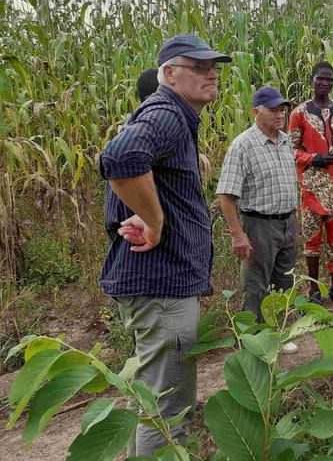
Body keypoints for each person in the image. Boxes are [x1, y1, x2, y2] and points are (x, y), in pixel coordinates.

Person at [99, 34, 231, 456]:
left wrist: (151, 212)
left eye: (214, 67)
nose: (212, 73)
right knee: (169, 411)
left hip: (156, 286)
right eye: (199, 66)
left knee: (152, 402)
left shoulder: (173, 117)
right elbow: (119, 158)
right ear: (169, 74)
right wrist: (155, 223)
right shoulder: (168, 112)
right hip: (163, 287)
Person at [216, 87, 299, 347]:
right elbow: (226, 195)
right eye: (273, 110)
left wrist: (293, 221)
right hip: (258, 225)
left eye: (282, 110)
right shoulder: (243, 145)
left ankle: (277, 335)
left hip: (287, 223)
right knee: (256, 286)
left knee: (284, 283)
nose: (280, 115)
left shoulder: (285, 142)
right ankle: (251, 343)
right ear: (255, 112)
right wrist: (238, 234)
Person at [289, 62, 333, 307]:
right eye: (320, 79)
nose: (325, 83)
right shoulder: (299, 113)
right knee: (311, 242)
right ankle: (312, 291)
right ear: (311, 80)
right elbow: (291, 149)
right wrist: (313, 158)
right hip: (312, 188)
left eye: (329, 80)